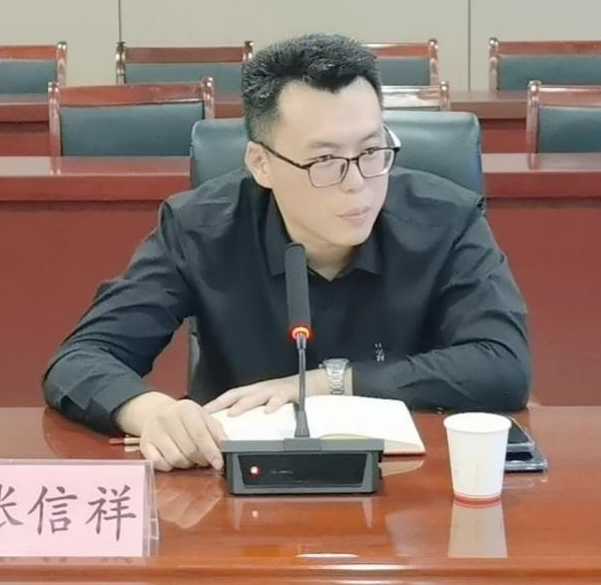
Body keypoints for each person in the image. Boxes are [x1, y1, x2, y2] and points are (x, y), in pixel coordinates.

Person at [42, 33, 531, 472]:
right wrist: (153, 413)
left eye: (371, 150)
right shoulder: (201, 229)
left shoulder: (447, 220)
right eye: (325, 160)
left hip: (409, 488)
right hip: (237, 488)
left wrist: (327, 383)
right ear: (261, 163)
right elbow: (81, 358)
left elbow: (503, 366)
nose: (357, 184)